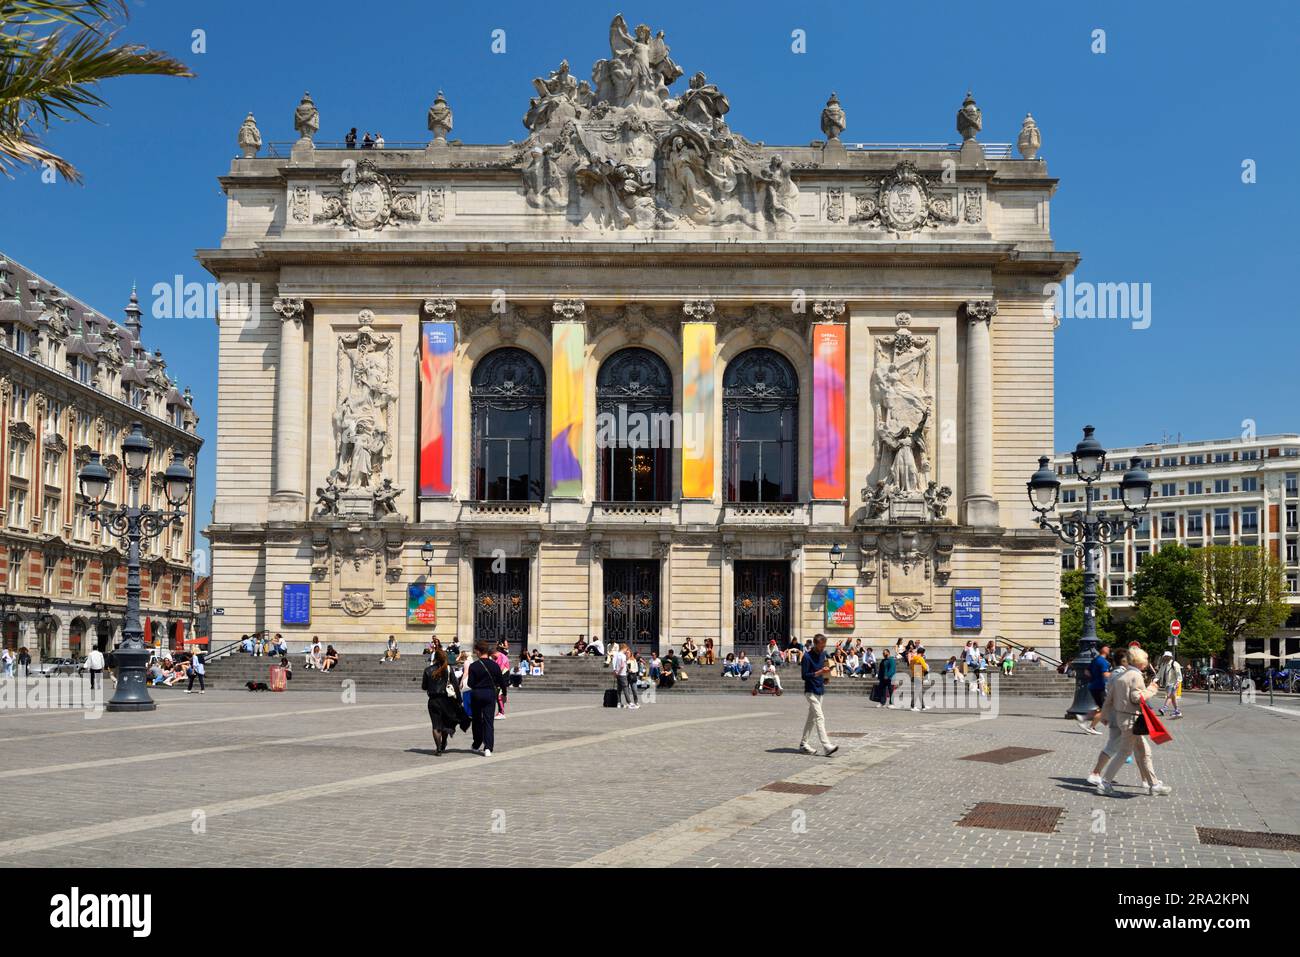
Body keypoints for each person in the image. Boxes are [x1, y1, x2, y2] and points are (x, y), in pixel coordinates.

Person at [1095, 646, 1171, 796]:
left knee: (1144, 752)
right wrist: (1152, 689)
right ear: (1140, 662)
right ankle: (1105, 783)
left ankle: (1154, 784)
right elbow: (1137, 698)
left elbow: (1109, 699)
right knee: (1124, 752)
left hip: (1124, 718)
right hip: (1132, 720)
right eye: (1146, 660)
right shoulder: (1136, 676)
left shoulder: (1122, 675)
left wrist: (1104, 715)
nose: (1147, 663)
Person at [421, 648, 470, 755]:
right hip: (446, 700)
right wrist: (459, 700)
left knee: (436, 725)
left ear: (435, 658)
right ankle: (443, 744)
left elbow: (424, 687)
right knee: (445, 723)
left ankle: (438, 749)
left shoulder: (428, 670)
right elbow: (456, 685)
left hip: (433, 701)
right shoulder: (448, 669)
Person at [798, 634, 838, 757]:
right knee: (820, 717)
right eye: (821, 646)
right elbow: (804, 676)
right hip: (810, 691)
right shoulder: (807, 657)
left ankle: (803, 744)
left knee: (811, 719)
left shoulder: (822, 654)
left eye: (824, 646)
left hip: (820, 689)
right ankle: (826, 746)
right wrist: (820, 672)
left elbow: (823, 668)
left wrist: (825, 677)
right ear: (815, 644)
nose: (822, 649)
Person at [467, 640, 507, 756]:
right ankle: (488, 748)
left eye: (476, 651)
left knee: (477, 720)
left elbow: (470, 683)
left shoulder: (474, 666)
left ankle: (476, 744)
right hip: (490, 694)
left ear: (479, 652)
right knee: (489, 721)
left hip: (477, 694)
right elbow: (501, 681)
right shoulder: (494, 665)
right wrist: (504, 694)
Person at [1077, 645, 1111, 735]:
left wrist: (1093, 677)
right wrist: (1117, 675)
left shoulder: (1095, 660)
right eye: (1108, 649)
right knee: (1104, 708)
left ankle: (1084, 718)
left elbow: (1086, 671)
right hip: (1100, 686)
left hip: (1093, 685)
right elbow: (1105, 674)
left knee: (1101, 707)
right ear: (1106, 651)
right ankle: (1091, 727)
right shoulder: (1103, 662)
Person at [1156, 651, 1183, 718]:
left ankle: (1164, 709)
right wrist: (1155, 680)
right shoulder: (1163, 664)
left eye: (1167, 656)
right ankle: (1177, 711)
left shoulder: (1174, 664)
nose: (1166, 657)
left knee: (1169, 696)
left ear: (1170, 657)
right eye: (1165, 656)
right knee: (1173, 697)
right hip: (1167, 684)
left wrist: (1177, 683)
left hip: (1173, 683)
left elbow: (1179, 675)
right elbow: (1159, 674)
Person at [612, 642, 635, 708]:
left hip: (618, 674)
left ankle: (619, 703)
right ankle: (629, 702)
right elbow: (622, 665)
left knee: (619, 689)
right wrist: (619, 672)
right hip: (622, 674)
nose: (626, 650)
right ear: (624, 648)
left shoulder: (617, 654)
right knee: (625, 688)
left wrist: (615, 671)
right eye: (626, 649)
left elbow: (614, 662)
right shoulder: (623, 655)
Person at [909, 644, 930, 711]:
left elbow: (910, 667)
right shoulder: (920, 658)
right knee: (917, 691)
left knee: (919, 691)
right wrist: (924, 670)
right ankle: (912, 706)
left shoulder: (913, 659)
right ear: (922, 653)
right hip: (919, 675)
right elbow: (925, 667)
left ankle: (923, 706)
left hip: (914, 675)